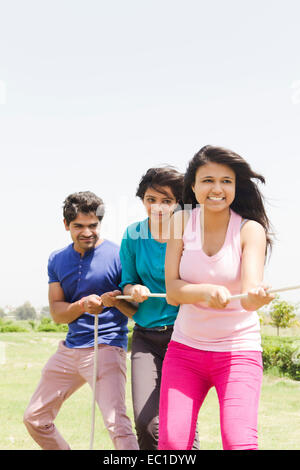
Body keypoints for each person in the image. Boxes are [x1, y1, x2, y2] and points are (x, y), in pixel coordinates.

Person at [158, 145, 275, 451]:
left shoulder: (251, 231)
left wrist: (257, 298)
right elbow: (172, 291)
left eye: (226, 181)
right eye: (208, 180)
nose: (217, 189)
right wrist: (206, 292)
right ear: (193, 186)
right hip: (185, 351)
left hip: (238, 353)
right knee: (172, 443)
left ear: (236, 187)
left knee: (238, 443)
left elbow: (248, 298)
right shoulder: (180, 223)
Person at [23, 191, 139, 450]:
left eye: (93, 225)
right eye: (79, 226)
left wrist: (116, 300)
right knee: (34, 418)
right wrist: (83, 305)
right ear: (66, 225)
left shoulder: (119, 255)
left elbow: (135, 310)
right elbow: (57, 313)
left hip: (106, 346)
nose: (87, 232)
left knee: (117, 425)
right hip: (69, 349)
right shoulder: (56, 259)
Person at [107, 167, 200, 450]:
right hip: (146, 337)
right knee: (146, 424)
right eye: (150, 199)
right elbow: (127, 283)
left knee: (180, 425)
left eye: (166, 200)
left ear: (179, 203)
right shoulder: (134, 234)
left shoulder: (192, 233)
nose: (157, 207)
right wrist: (131, 290)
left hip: (184, 335)